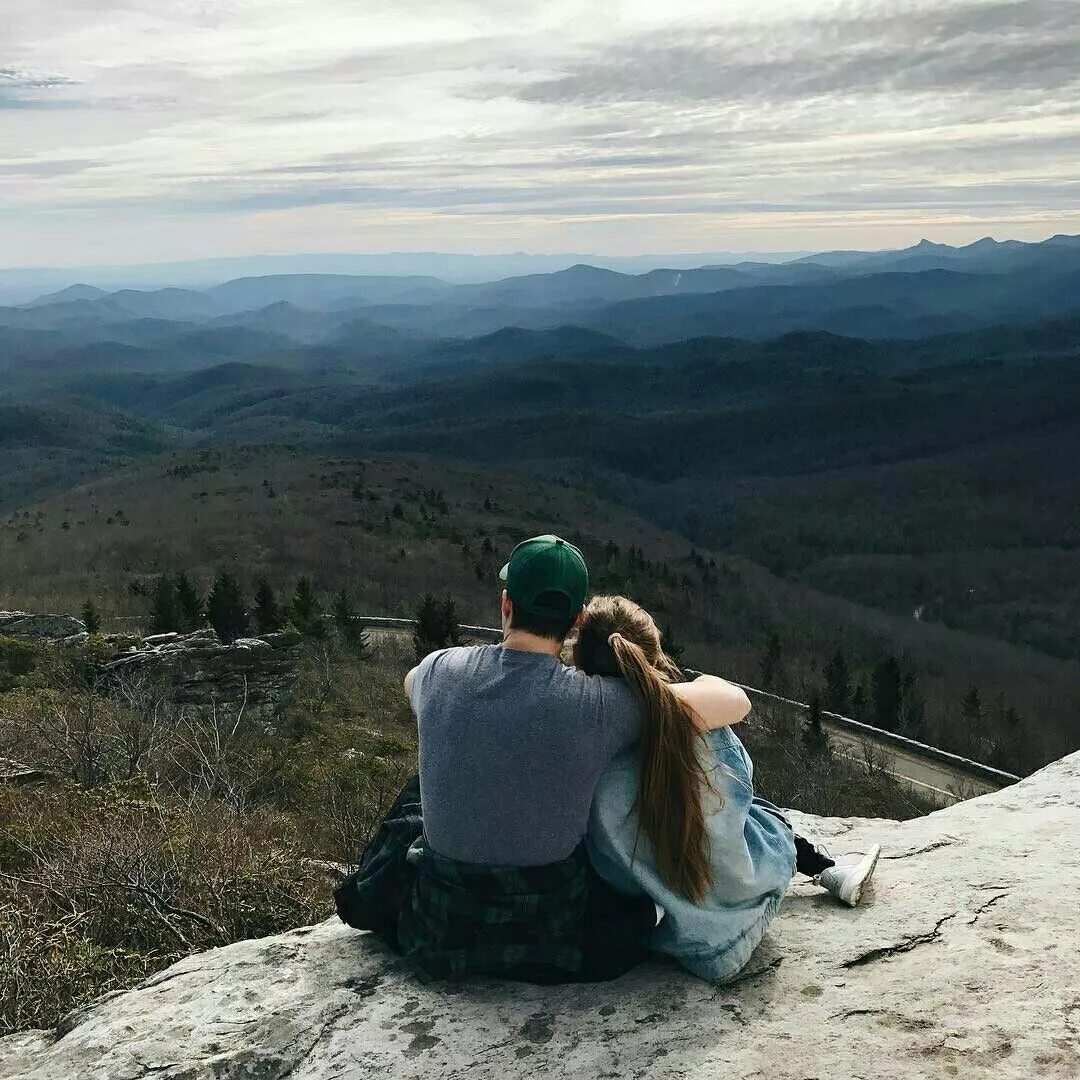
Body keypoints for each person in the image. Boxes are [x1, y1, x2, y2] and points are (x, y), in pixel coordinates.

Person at [336, 535, 752, 983]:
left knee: (419, 789)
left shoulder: (439, 671)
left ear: (505, 604)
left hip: (439, 931)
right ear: (576, 620)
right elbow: (734, 702)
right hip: (554, 941)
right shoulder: (600, 705)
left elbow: (410, 682)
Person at [577, 595, 881, 983]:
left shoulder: (583, 755)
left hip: (671, 933)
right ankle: (827, 870)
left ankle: (826, 870)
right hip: (739, 910)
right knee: (762, 814)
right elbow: (738, 797)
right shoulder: (705, 729)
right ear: (653, 660)